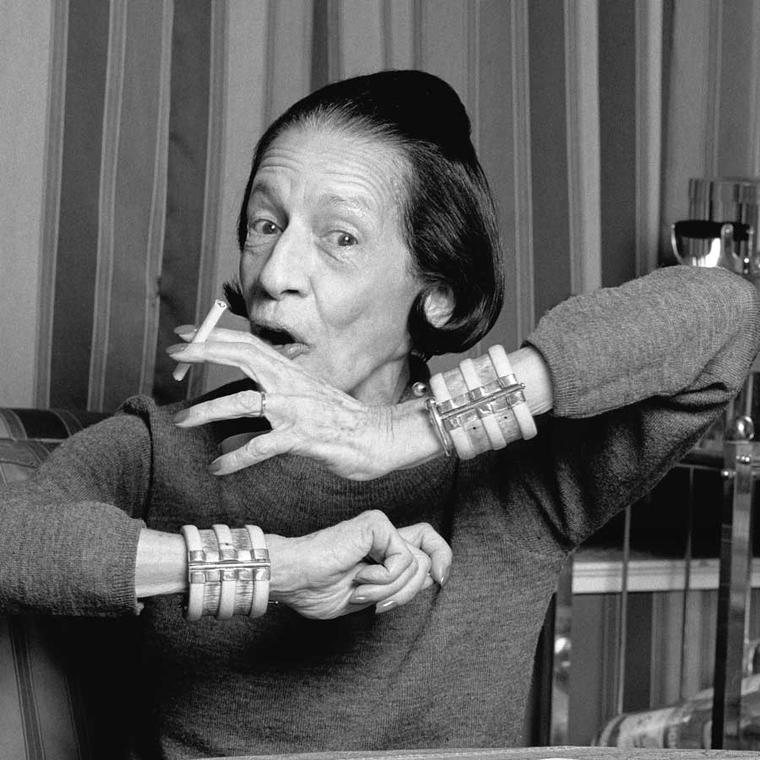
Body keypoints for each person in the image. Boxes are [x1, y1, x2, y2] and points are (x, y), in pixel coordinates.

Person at [1, 69, 759, 759]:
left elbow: (728, 314)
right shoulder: (164, 449)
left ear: (439, 295)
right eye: (266, 225)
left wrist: (405, 432)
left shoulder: (517, 478)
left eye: (340, 237)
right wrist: (276, 569)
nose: (276, 274)